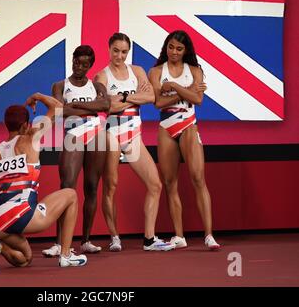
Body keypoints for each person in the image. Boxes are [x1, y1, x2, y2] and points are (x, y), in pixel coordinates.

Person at [0, 93, 88, 271]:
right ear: (26, 125)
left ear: (6, 125)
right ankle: (66, 255)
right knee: (71, 194)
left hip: (0, 221)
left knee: (24, 259)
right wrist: (37, 96)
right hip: (24, 215)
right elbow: (58, 107)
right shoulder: (31, 138)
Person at [94, 32, 175, 252]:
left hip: (132, 136)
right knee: (110, 187)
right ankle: (115, 237)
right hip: (111, 135)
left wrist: (121, 98)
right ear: (109, 49)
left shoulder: (137, 71)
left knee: (155, 184)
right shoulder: (101, 77)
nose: (120, 56)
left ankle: (149, 239)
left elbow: (151, 98)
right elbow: (106, 107)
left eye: (124, 52)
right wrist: (131, 96)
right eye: (116, 51)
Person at [148, 30, 220, 250]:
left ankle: (209, 235)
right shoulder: (156, 71)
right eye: (171, 47)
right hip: (166, 127)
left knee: (198, 178)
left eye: (179, 49)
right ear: (165, 47)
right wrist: (185, 91)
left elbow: (197, 99)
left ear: (186, 50)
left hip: (188, 125)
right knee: (170, 183)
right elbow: (158, 103)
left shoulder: (195, 71)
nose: (174, 52)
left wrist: (176, 88)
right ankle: (179, 236)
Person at [42, 45, 110, 257]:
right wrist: (92, 107)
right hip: (73, 135)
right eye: (76, 62)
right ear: (72, 60)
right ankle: (59, 243)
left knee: (91, 187)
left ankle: (86, 241)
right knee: (67, 187)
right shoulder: (60, 86)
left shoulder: (97, 85)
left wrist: (78, 107)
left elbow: (106, 104)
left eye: (84, 64)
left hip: (95, 135)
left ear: (90, 65)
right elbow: (60, 110)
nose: (79, 67)